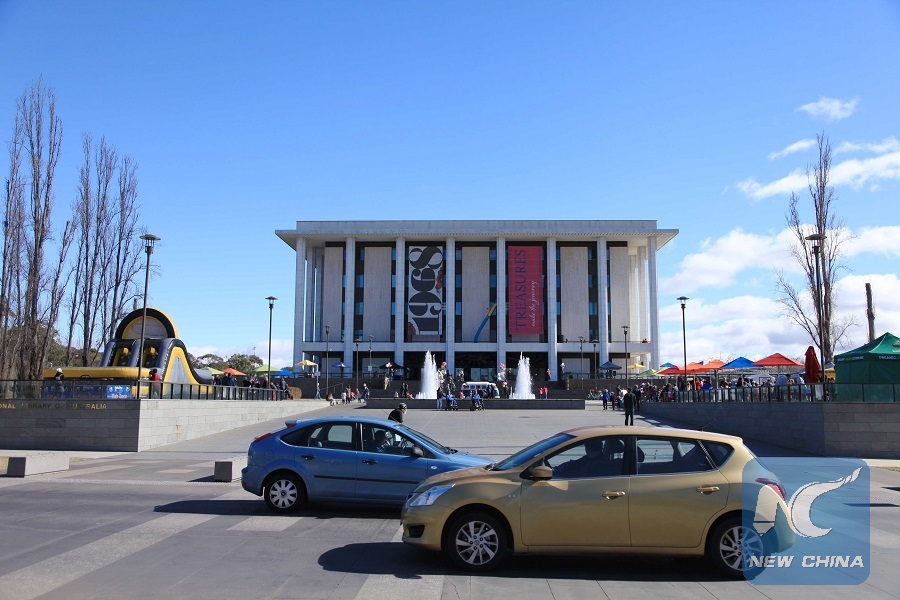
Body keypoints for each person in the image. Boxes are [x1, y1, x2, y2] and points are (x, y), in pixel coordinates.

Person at [553, 438, 622, 479]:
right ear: (601, 447)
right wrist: (555, 470)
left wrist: (555, 471)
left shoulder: (595, 465)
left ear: (587, 449)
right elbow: (572, 464)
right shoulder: (588, 459)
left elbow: (575, 472)